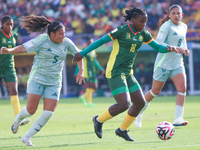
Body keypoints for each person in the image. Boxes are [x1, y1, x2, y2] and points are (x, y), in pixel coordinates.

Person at [73, 6, 185, 142]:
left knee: (140, 103)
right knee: (124, 104)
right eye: (141, 21)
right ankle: (98, 119)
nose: (144, 25)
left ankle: (122, 130)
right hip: (115, 71)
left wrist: (170, 48)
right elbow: (101, 41)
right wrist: (83, 53)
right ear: (132, 20)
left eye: (145, 22)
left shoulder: (143, 33)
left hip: (127, 72)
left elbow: (157, 47)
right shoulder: (121, 30)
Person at [1, 15, 84, 146]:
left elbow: (79, 55)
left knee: (48, 113)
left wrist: (81, 71)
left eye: (64, 33)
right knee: (30, 111)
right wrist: (9, 51)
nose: (64, 36)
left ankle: (27, 137)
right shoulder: (42, 40)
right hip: (37, 78)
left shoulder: (66, 42)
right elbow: (23, 48)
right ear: (52, 34)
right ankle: (18, 118)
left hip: (54, 81)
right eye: (61, 34)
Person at [134, 4, 190, 128]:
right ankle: (138, 112)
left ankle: (178, 118)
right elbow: (158, 42)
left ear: (182, 15)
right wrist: (174, 48)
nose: (176, 15)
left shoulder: (184, 26)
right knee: (155, 91)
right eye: (173, 13)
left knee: (182, 88)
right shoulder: (166, 26)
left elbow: (183, 42)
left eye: (178, 13)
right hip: (163, 63)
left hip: (177, 63)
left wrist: (185, 50)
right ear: (169, 15)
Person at [0, 15, 30, 125]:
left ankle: (19, 119)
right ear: (2, 25)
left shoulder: (15, 35)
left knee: (14, 91)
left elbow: (14, 49)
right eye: (7, 24)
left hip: (9, 67)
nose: (9, 26)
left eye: (11, 24)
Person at [75, 37, 105, 107]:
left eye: (92, 42)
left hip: (93, 71)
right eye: (90, 42)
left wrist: (101, 69)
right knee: (89, 86)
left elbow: (95, 61)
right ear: (87, 43)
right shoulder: (84, 51)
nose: (92, 43)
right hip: (86, 71)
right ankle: (89, 102)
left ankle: (83, 97)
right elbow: (79, 61)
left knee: (95, 86)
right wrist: (77, 72)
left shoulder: (93, 51)